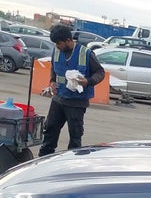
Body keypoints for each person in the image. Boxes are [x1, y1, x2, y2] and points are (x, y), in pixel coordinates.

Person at [38, 24, 105, 157]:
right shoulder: (56, 51)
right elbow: (54, 68)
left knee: (75, 135)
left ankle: (72, 161)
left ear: (68, 40)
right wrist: (52, 82)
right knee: (50, 130)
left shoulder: (85, 53)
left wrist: (88, 82)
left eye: (59, 43)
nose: (57, 46)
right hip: (58, 99)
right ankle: (44, 158)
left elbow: (100, 72)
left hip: (77, 103)